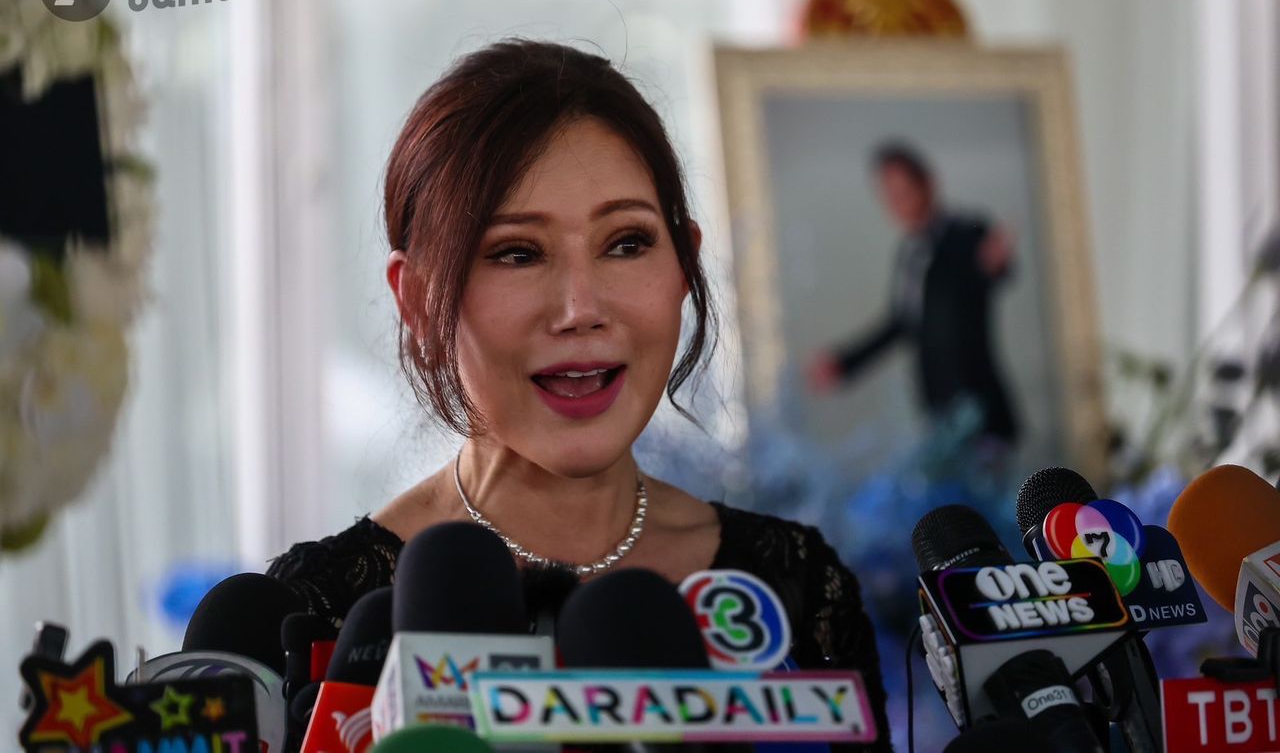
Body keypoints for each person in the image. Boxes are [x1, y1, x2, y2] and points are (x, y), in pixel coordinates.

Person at [267, 39, 891, 748]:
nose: (580, 309)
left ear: (683, 265)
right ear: (417, 300)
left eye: (626, 243)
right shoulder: (324, 609)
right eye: (517, 253)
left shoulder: (796, 586)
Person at [806, 142, 1021, 446]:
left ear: (928, 183)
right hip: (938, 412)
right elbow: (900, 324)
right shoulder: (908, 254)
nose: (897, 203)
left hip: (980, 409)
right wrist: (844, 363)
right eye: (889, 194)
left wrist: (996, 265)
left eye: (904, 191)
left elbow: (988, 269)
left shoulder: (966, 233)